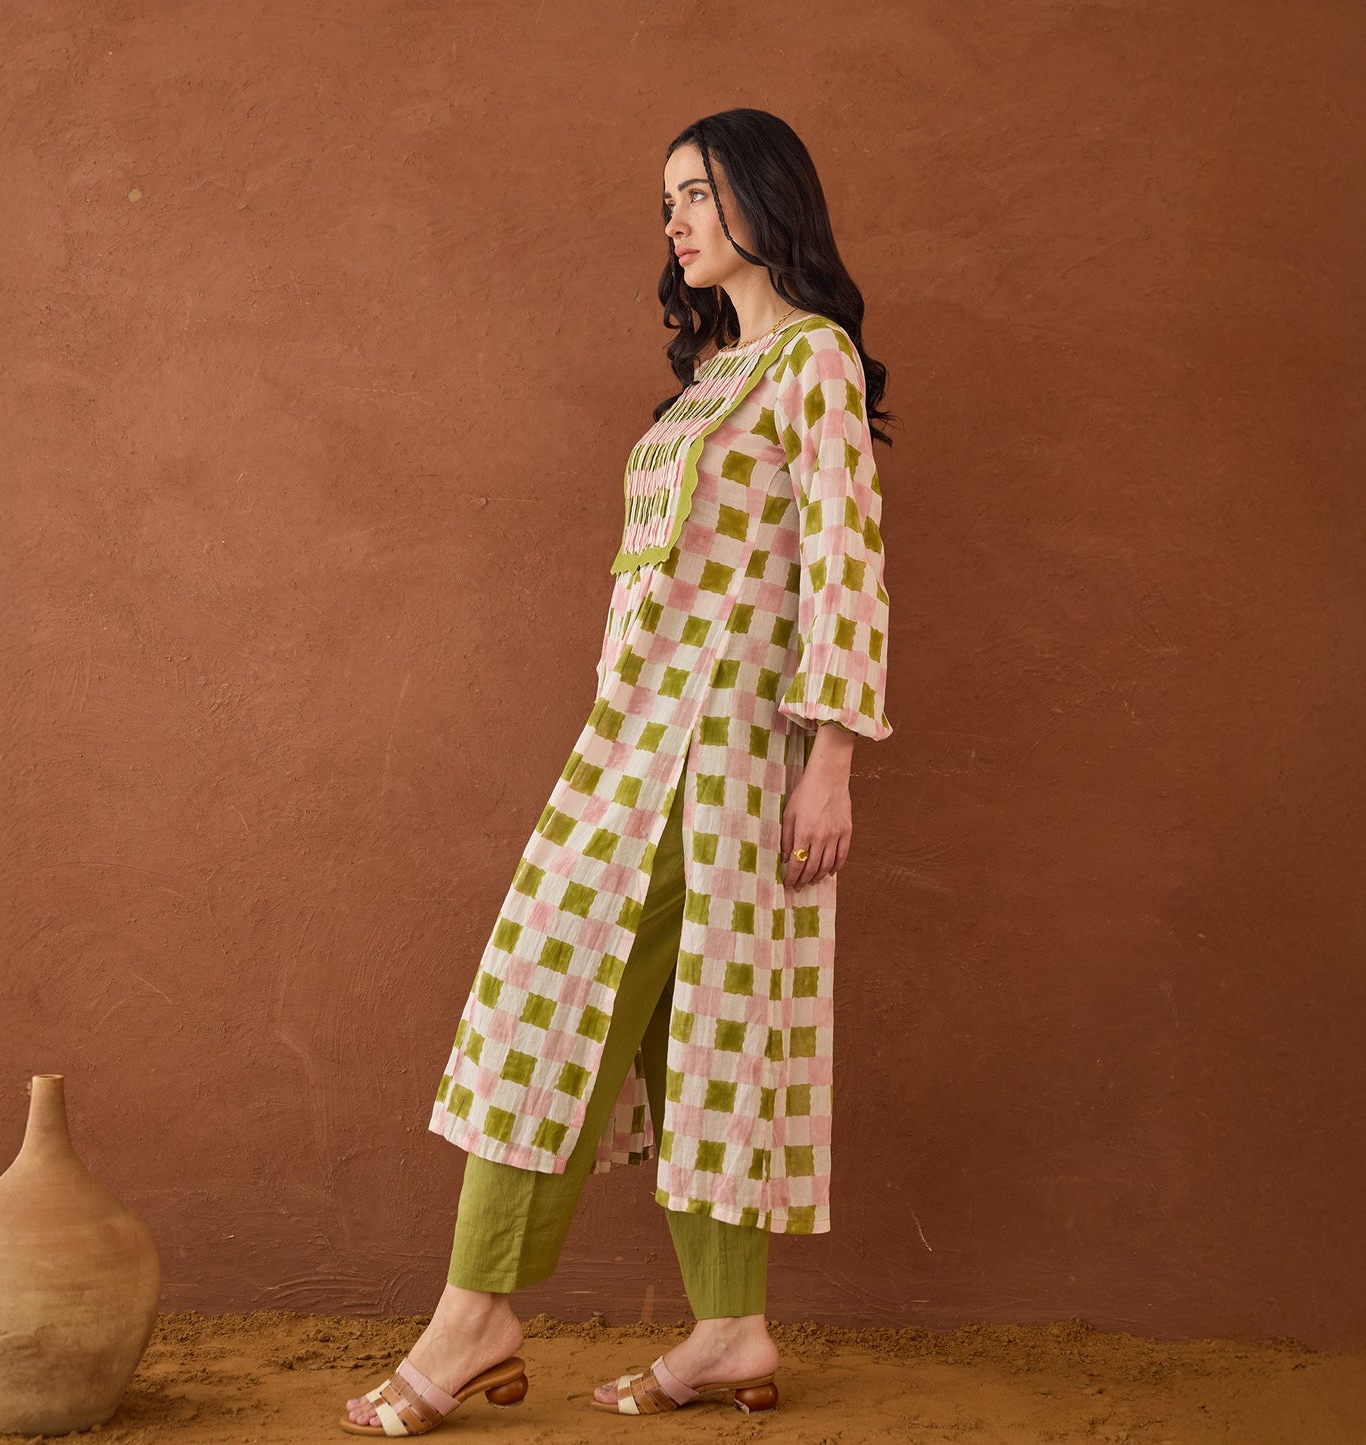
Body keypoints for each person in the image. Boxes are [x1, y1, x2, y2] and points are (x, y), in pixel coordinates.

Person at [340, 106, 895, 1437]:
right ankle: (730, 1326)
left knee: (582, 994)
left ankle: (475, 1315)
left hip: (728, 750)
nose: (676, 220)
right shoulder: (711, 377)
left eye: (699, 192)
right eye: (667, 201)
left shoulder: (812, 360)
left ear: (765, 196)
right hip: (638, 742)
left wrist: (831, 760)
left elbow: (846, 560)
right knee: (684, 1024)